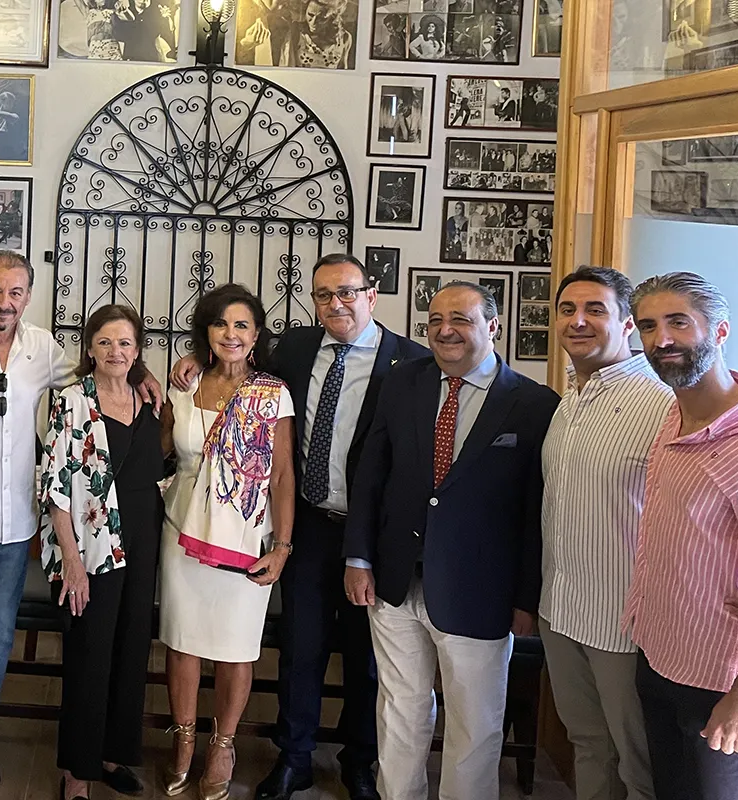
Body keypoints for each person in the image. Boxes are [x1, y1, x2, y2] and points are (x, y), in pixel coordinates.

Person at [0, 254, 158, 790]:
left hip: (16, 517)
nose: (4, 302)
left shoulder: (44, 349)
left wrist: (145, 371)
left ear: (28, 296)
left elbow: (93, 380)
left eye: (16, 292)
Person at [344, 281, 559, 800]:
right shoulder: (401, 384)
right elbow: (370, 473)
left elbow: (536, 515)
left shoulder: (534, 405)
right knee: (399, 710)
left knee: (475, 724)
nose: (445, 330)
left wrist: (525, 599)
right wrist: (358, 556)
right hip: (394, 580)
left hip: (479, 593)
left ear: (493, 326)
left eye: (460, 319)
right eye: (435, 319)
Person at [257, 255, 429, 800]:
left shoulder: (412, 362)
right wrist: (188, 362)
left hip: (372, 537)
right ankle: (295, 757)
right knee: (300, 647)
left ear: (371, 295)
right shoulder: (294, 348)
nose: (337, 304)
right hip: (307, 527)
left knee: (367, 657)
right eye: (325, 295)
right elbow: (237, 370)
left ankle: (361, 760)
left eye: (348, 292)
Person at [623, 272, 738, 799]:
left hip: (719, 678)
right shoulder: (673, 418)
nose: (661, 340)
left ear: (721, 331)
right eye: (649, 326)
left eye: (678, 322)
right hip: (659, 653)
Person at [160, 283, 294, 800]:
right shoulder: (184, 387)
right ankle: (185, 738)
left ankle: (223, 743)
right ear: (207, 332)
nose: (231, 334)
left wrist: (282, 547)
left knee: (237, 646)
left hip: (245, 536)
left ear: (256, 334)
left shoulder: (272, 393)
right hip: (182, 531)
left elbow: (282, 475)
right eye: (221, 324)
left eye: (241, 325)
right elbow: (161, 450)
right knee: (182, 640)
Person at [539, 267, 668, 800]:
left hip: (625, 626)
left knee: (640, 766)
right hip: (562, 614)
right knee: (588, 745)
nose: (579, 321)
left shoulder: (662, 404)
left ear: (628, 323)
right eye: (568, 310)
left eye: (595, 310)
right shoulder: (566, 403)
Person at [37, 304, 165, 800]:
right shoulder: (72, 401)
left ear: (138, 351)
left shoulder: (147, 399)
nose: (116, 351)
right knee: (91, 653)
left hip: (143, 538)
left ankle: (113, 754)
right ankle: (77, 770)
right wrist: (71, 560)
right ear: (89, 347)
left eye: (126, 343)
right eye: (106, 342)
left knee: (132, 649)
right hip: (92, 545)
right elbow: (55, 486)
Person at [296, 0, 353, 69]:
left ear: (332, 17)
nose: (313, 22)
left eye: (321, 18)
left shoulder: (344, 38)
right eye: (310, 14)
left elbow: (343, 70)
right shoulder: (296, 35)